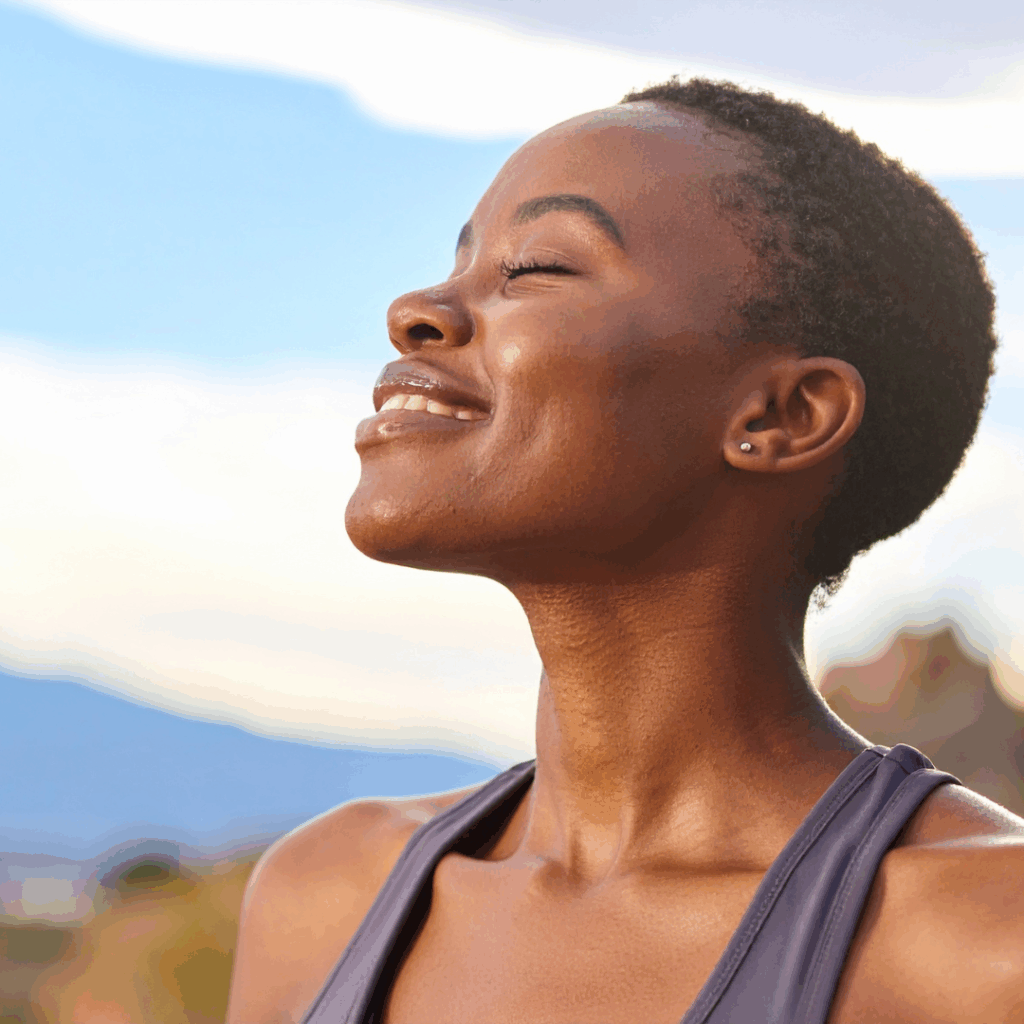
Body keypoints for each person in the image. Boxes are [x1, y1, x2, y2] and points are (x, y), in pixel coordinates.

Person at [226, 78, 1024, 1024]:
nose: (415, 310)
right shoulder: (325, 895)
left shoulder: (986, 942)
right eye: (461, 260)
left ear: (781, 415)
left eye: (536, 268)